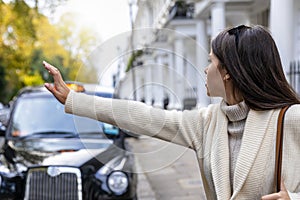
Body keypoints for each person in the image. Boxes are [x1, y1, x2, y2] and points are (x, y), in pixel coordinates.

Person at [43, 25, 300, 200]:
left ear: (228, 71)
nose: (205, 69)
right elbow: (142, 116)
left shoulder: (291, 118)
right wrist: (74, 100)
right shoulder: (207, 122)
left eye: (210, 61)